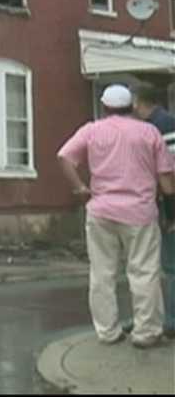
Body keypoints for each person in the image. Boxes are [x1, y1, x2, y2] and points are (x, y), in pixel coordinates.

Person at [57, 84, 175, 349]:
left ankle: (108, 332)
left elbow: (64, 157)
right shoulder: (149, 132)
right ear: (131, 106)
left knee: (102, 273)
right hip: (140, 212)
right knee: (144, 272)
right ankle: (146, 332)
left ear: (105, 106)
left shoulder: (92, 130)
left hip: (101, 211)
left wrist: (80, 187)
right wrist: (171, 214)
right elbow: (167, 180)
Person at [133, 83, 175, 340]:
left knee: (170, 265)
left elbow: (170, 171)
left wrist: (171, 213)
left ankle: (171, 321)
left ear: (138, 102)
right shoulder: (159, 124)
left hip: (169, 200)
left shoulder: (163, 125)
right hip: (161, 199)